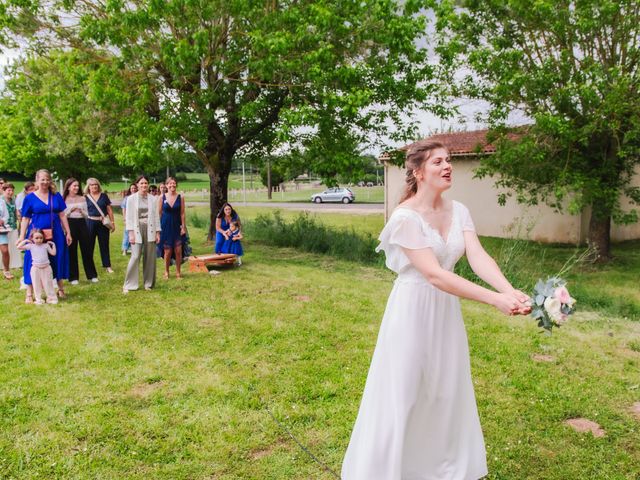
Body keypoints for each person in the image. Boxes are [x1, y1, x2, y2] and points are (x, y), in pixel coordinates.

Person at [341, 141, 531, 480]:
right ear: (418, 172)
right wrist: (494, 300)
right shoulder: (404, 217)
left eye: (449, 161)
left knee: (445, 389)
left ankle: (441, 469)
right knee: (406, 390)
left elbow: (478, 256)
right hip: (412, 310)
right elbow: (434, 274)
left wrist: (508, 290)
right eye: (438, 162)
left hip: (445, 312)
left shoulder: (459, 210)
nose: (447, 167)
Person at [17, 169, 72, 302]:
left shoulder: (56, 195)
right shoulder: (29, 198)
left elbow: (62, 215)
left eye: (47, 179)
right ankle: (29, 293)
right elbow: (25, 218)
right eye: (42, 179)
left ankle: (60, 289)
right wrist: (21, 237)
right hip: (36, 233)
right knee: (32, 261)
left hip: (56, 232)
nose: (45, 182)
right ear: (37, 180)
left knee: (57, 258)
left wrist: (68, 232)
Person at [123, 175, 161, 293]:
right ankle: (129, 284)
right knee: (135, 256)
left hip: (150, 229)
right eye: (141, 183)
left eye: (146, 183)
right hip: (136, 229)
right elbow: (129, 217)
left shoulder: (153, 198)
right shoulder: (131, 199)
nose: (144, 185)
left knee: (150, 257)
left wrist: (157, 232)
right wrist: (131, 234)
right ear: (137, 185)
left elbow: (156, 217)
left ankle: (148, 283)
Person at [63, 178, 98, 284]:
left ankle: (92, 275)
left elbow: (87, 215)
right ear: (68, 187)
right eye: (74, 186)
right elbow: (62, 216)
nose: (76, 188)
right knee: (72, 250)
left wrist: (82, 212)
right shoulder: (63, 199)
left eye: (77, 186)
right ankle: (73, 277)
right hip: (70, 224)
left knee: (87, 249)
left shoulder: (82, 198)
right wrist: (70, 210)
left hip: (82, 223)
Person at [17, 229, 58, 304]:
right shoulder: (31, 246)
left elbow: (53, 253)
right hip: (36, 268)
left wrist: (53, 245)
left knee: (48, 283)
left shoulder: (45, 246)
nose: (39, 240)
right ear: (32, 238)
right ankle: (38, 299)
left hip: (46, 268)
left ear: (43, 238)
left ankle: (51, 298)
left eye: (41, 238)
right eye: (36, 238)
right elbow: (19, 247)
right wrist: (25, 241)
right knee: (36, 284)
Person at [85, 178, 115, 274]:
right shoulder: (85, 197)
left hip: (103, 223)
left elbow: (109, 209)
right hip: (90, 223)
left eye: (96, 184)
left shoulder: (104, 196)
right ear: (88, 187)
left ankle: (107, 266)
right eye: (92, 185)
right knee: (89, 246)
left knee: (104, 245)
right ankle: (89, 267)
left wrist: (112, 222)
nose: (94, 186)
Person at [157, 177, 186, 279]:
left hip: (177, 226)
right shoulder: (161, 197)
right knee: (167, 251)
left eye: (174, 184)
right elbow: (159, 214)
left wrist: (183, 227)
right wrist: (157, 229)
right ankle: (166, 272)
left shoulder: (180, 197)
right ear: (166, 185)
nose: (172, 185)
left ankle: (178, 272)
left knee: (178, 250)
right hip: (165, 226)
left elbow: (182, 213)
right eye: (170, 183)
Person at [0, 183, 21, 276]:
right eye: (8, 190)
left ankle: (7, 270)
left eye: (12, 190)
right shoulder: (1, 200)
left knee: (9, 249)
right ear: (3, 191)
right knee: (5, 250)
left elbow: (11, 213)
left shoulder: (12, 200)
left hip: (8, 227)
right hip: (4, 228)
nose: (11, 192)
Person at [121, 183, 138, 255]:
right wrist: (124, 219)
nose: (133, 189)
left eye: (134, 188)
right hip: (129, 218)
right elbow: (124, 209)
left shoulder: (138, 197)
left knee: (136, 234)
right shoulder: (127, 198)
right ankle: (124, 250)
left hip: (136, 218)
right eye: (132, 188)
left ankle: (133, 250)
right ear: (130, 189)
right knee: (127, 234)